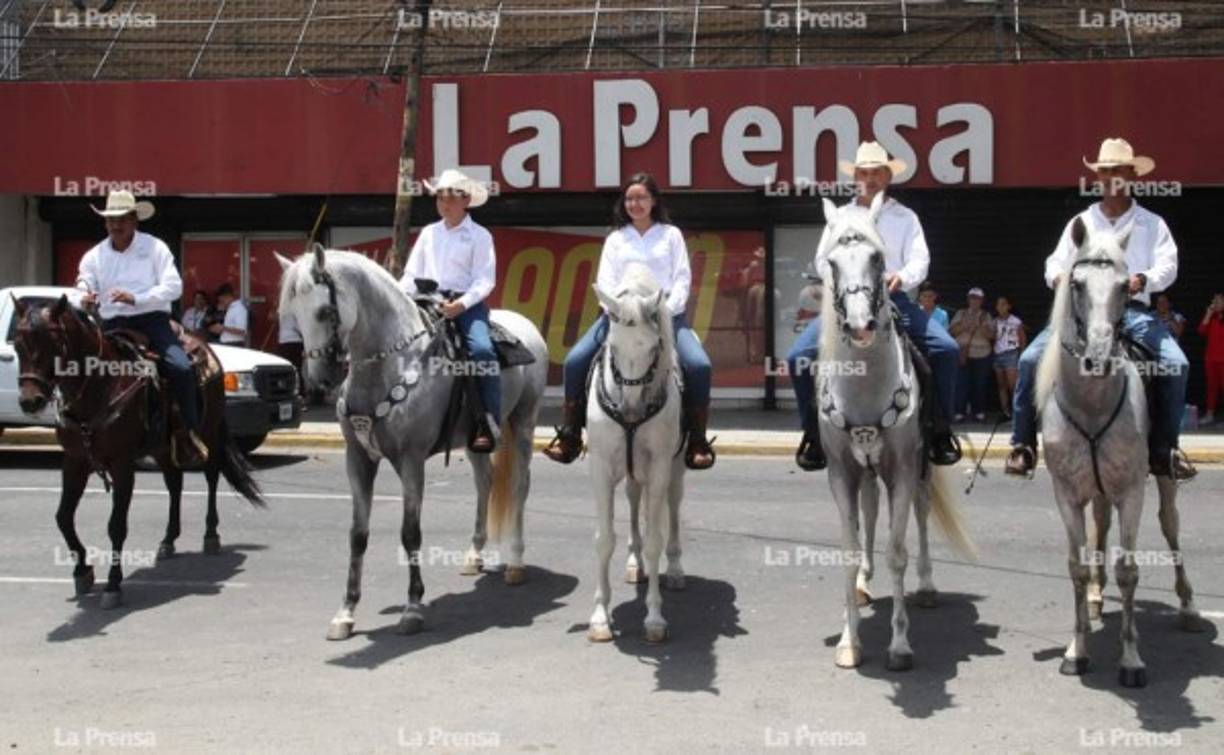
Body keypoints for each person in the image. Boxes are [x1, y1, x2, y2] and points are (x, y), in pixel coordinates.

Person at [1006, 138, 1195, 479]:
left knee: (1175, 365)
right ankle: (1023, 445)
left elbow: (1169, 267)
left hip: (1133, 311)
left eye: (1118, 171)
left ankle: (1165, 449)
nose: (1111, 178)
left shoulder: (1152, 224)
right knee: (1029, 360)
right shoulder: (1082, 222)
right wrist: (1058, 277)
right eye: (1105, 171)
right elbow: (1054, 261)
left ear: (1131, 176)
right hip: (1081, 314)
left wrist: (1144, 279)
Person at [787, 141, 962, 470]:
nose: (870, 179)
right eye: (863, 173)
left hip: (892, 299)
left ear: (887, 177)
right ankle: (813, 434)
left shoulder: (904, 217)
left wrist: (903, 277)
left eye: (876, 173)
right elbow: (823, 259)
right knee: (799, 357)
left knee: (946, 350)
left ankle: (940, 430)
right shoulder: (840, 217)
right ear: (855, 177)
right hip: (846, 303)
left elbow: (920, 259)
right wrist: (840, 282)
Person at [543, 172, 716, 470]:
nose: (635, 204)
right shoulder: (616, 239)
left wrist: (664, 310)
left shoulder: (670, 235)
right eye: (630, 198)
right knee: (574, 361)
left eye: (641, 198)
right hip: (619, 317)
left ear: (654, 201)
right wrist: (617, 310)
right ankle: (571, 434)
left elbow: (682, 278)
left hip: (665, 317)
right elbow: (605, 282)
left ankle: (697, 439)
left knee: (699, 365)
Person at [75, 190, 208, 464]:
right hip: (112, 324)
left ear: (134, 220)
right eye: (110, 219)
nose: (115, 225)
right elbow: (84, 281)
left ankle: (190, 433)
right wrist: (84, 295)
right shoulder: (94, 255)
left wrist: (137, 298)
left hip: (152, 322)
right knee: (79, 369)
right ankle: (82, 430)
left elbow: (174, 287)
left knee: (181, 368)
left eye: (121, 218)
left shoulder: (155, 248)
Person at [398, 169, 500, 452]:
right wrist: (400, 297)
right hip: (426, 301)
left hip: (465, 305)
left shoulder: (480, 236)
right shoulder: (429, 233)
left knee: (482, 352)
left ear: (466, 199)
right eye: (440, 196)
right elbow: (410, 275)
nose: (445, 202)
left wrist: (461, 304)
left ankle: (488, 422)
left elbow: (484, 280)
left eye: (452, 196)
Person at [949, 287, 994, 421]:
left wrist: (980, 326)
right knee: (961, 383)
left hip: (982, 354)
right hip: (963, 353)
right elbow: (951, 331)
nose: (974, 301)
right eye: (972, 298)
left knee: (979, 384)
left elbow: (992, 336)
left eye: (977, 299)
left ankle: (978, 411)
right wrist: (965, 325)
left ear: (981, 301)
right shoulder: (960, 314)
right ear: (968, 299)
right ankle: (959, 411)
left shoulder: (986, 316)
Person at [992, 295, 1025, 419]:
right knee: (1001, 385)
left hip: (1011, 353)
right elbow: (992, 338)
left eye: (1003, 304)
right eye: (998, 305)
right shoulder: (995, 321)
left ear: (1008, 306)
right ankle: (1005, 411)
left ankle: (1017, 410)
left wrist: (1021, 354)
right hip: (998, 353)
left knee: (1013, 385)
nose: (1000, 307)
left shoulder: (1016, 321)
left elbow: (1022, 338)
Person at [1198, 293, 1224, 425]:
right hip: (1211, 358)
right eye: (1214, 300)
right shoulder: (1212, 317)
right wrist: (1208, 314)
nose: (1215, 303)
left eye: (1218, 301)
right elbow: (1201, 331)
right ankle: (1209, 414)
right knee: (1211, 388)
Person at [277, 308, 305, 399]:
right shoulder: (283, 308)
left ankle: (298, 391)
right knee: (295, 367)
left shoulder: (285, 308)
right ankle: (297, 391)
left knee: (293, 367)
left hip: (289, 341)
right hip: (292, 340)